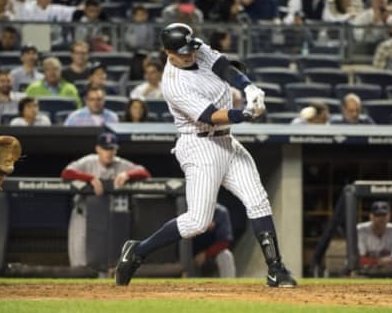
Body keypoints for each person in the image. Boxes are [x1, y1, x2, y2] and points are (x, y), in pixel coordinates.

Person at [115, 23, 297, 288]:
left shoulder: (195, 47)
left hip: (226, 140)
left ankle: (276, 269)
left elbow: (223, 66)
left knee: (258, 200)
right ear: (168, 52)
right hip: (199, 145)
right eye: (183, 51)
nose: (190, 54)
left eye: (191, 48)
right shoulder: (173, 84)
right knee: (198, 222)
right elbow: (210, 117)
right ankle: (138, 251)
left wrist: (248, 87)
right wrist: (244, 114)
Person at [60, 132, 151, 272]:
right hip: (83, 215)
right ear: (98, 149)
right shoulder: (88, 161)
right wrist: (88, 178)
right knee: (79, 260)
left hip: (109, 218)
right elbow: (66, 173)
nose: (108, 152)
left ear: (116, 150)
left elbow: (144, 173)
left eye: (111, 149)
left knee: (109, 259)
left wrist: (127, 174)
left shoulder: (120, 164)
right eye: (105, 148)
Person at [357, 201, 392, 269]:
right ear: (371, 216)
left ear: (389, 216)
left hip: (388, 269)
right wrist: (379, 261)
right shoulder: (360, 230)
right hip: (365, 270)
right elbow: (359, 259)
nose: (381, 218)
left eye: (384, 215)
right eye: (378, 215)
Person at [193, 204, 236, 278]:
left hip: (210, 255)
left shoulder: (220, 212)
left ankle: (229, 288)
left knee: (225, 255)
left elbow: (225, 242)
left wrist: (206, 254)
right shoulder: (186, 210)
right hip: (188, 255)